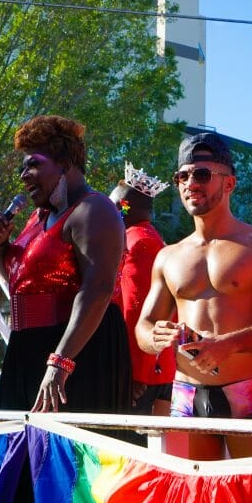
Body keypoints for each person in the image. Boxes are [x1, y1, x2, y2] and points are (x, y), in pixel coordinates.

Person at [0, 115, 130, 503]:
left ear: (65, 163)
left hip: (76, 354)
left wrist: (60, 362)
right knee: (21, 468)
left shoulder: (94, 209)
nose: (25, 176)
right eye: (23, 168)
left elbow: (98, 289)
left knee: (68, 476)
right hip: (29, 350)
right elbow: (23, 288)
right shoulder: (36, 219)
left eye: (34, 164)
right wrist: (0, 247)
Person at [136, 134, 252, 460]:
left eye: (202, 174)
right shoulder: (168, 256)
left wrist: (228, 344)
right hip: (185, 397)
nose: (191, 183)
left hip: (246, 392)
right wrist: (156, 336)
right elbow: (144, 327)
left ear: (229, 183)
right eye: (183, 176)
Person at [110, 163, 174, 418]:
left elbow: (139, 311)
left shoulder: (138, 242)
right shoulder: (146, 238)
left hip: (144, 373)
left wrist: (137, 372)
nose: (113, 211)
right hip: (153, 367)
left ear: (137, 207)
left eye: (119, 206)